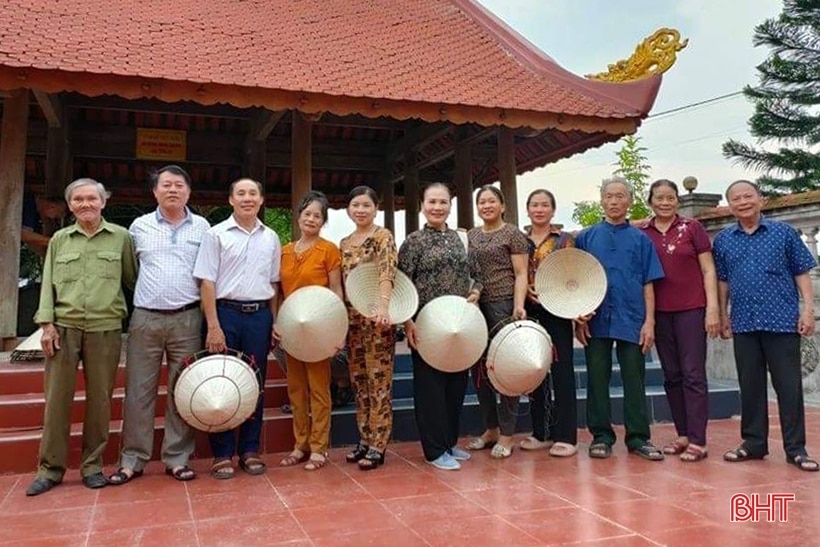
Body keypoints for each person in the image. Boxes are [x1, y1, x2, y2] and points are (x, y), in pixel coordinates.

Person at [26, 179, 138, 496]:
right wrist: (46, 324)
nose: (85, 204)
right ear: (71, 205)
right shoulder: (60, 240)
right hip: (64, 327)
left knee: (100, 401)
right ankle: (50, 469)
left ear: (103, 202)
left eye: (91, 198)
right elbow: (48, 282)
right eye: (78, 199)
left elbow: (133, 280)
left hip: (106, 327)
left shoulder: (121, 238)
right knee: (57, 401)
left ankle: (92, 466)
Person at [108, 166, 210, 486]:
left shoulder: (203, 227)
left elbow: (207, 274)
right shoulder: (139, 226)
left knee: (183, 388)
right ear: (155, 192)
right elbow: (130, 271)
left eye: (179, 185)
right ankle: (133, 459)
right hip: (146, 317)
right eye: (166, 185)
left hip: (188, 317)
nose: (172, 190)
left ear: (189, 192)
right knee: (139, 390)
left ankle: (177, 458)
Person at [713, 180, 818, 472]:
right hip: (744, 322)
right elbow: (722, 281)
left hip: (782, 321)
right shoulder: (723, 240)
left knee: (789, 387)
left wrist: (807, 311)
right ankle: (754, 443)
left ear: (761, 199)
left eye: (748, 196)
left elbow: (802, 272)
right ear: (731, 205)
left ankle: (795, 448)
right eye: (736, 199)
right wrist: (722, 314)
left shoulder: (783, 233)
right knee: (750, 386)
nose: (743, 202)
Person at [193, 178, 281, 479]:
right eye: (241, 193)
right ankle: (221, 453)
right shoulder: (215, 235)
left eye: (253, 193)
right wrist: (213, 325)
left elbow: (273, 283)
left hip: (259, 316)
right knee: (222, 381)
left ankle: (250, 449)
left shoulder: (270, 238)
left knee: (254, 383)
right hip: (225, 314)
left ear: (261, 199)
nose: (247, 198)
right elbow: (207, 281)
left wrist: (274, 321)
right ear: (230, 200)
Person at [574, 176, 665, 461]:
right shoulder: (586, 237)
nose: (614, 201)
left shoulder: (641, 240)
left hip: (632, 316)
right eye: (609, 196)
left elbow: (649, 282)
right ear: (601, 200)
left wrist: (650, 321)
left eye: (620, 196)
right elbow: (575, 280)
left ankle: (638, 437)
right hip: (596, 318)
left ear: (630, 201)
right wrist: (580, 319)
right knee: (597, 379)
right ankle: (601, 436)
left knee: (634, 378)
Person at [399, 183, 482, 470]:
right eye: (432, 201)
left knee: (456, 385)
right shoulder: (413, 242)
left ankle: (449, 441)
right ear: (422, 205)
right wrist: (407, 321)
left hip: (458, 324)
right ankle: (434, 450)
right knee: (430, 388)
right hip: (426, 324)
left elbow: (476, 273)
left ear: (450, 205)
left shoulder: (461, 239)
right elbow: (401, 285)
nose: (437, 207)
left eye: (443, 202)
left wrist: (476, 293)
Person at [639, 179, 719, 462]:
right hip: (659, 312)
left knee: (693, 374)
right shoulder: (642, 232)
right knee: (671, 375)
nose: (665, 202)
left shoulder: (692, 228)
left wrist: (713, 309)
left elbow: (708, 270)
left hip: (691, 309)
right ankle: (682, 434)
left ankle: (699, 439)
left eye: (670, 197)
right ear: (650, 201)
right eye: (659, 198)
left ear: (677, 201)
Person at [275, 191, 343, 471]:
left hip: (320, 329)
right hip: (292, 328)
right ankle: (299, 444)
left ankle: (319, 448)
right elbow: (278, 292)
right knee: (296, 389)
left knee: (318, 389)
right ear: (299, 217)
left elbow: (336, 290)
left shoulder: (328, 250)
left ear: (323, 220)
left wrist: (339, 331)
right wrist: (276, 322)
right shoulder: (285, 251)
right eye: (307, 214)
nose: (311, 219)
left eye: (317, 215)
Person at [465, 185, 529, 459]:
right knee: (479, 370)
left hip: (503, 304)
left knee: (506, 368)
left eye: (492, 201)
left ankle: (507, 433)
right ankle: (490, 428)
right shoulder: (470, 235)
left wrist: (518, 305)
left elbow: (521, 272)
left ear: (502, 206)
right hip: (475, 306)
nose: (487, 206)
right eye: (482, 202)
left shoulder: (513, 234)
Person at [339, 185, 397, 471]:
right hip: (353, 321)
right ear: (349, 209)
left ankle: (378, 443)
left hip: (377, 319)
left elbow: (387, 271)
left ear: (376, 209)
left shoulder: (382, 237)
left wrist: (384, 307)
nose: (360, 210)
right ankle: (364, 437)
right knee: (359, 382)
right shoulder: (345, 242)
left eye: (366, 205)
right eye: (355, 205)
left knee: (378, 383)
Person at [521, 189, 578, 457]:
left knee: (562, 371)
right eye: (535, 205)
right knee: (535, 371)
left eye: (545, 205)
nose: (539, 209)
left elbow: (573, 274)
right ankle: (540, 432)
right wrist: (524, 292)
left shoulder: (564, 240)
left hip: (558, 311)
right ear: (528, 209)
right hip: (530, 311)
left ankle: (566, 435)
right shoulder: (519, 241)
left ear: (553, 210)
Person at [21, 192, 66, 257]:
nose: (52, 219)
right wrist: (52, 241)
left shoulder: (36, 214)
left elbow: (32, 242)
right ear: (52, 207)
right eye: (55, 216)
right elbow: (23, 234)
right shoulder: (29, 205)